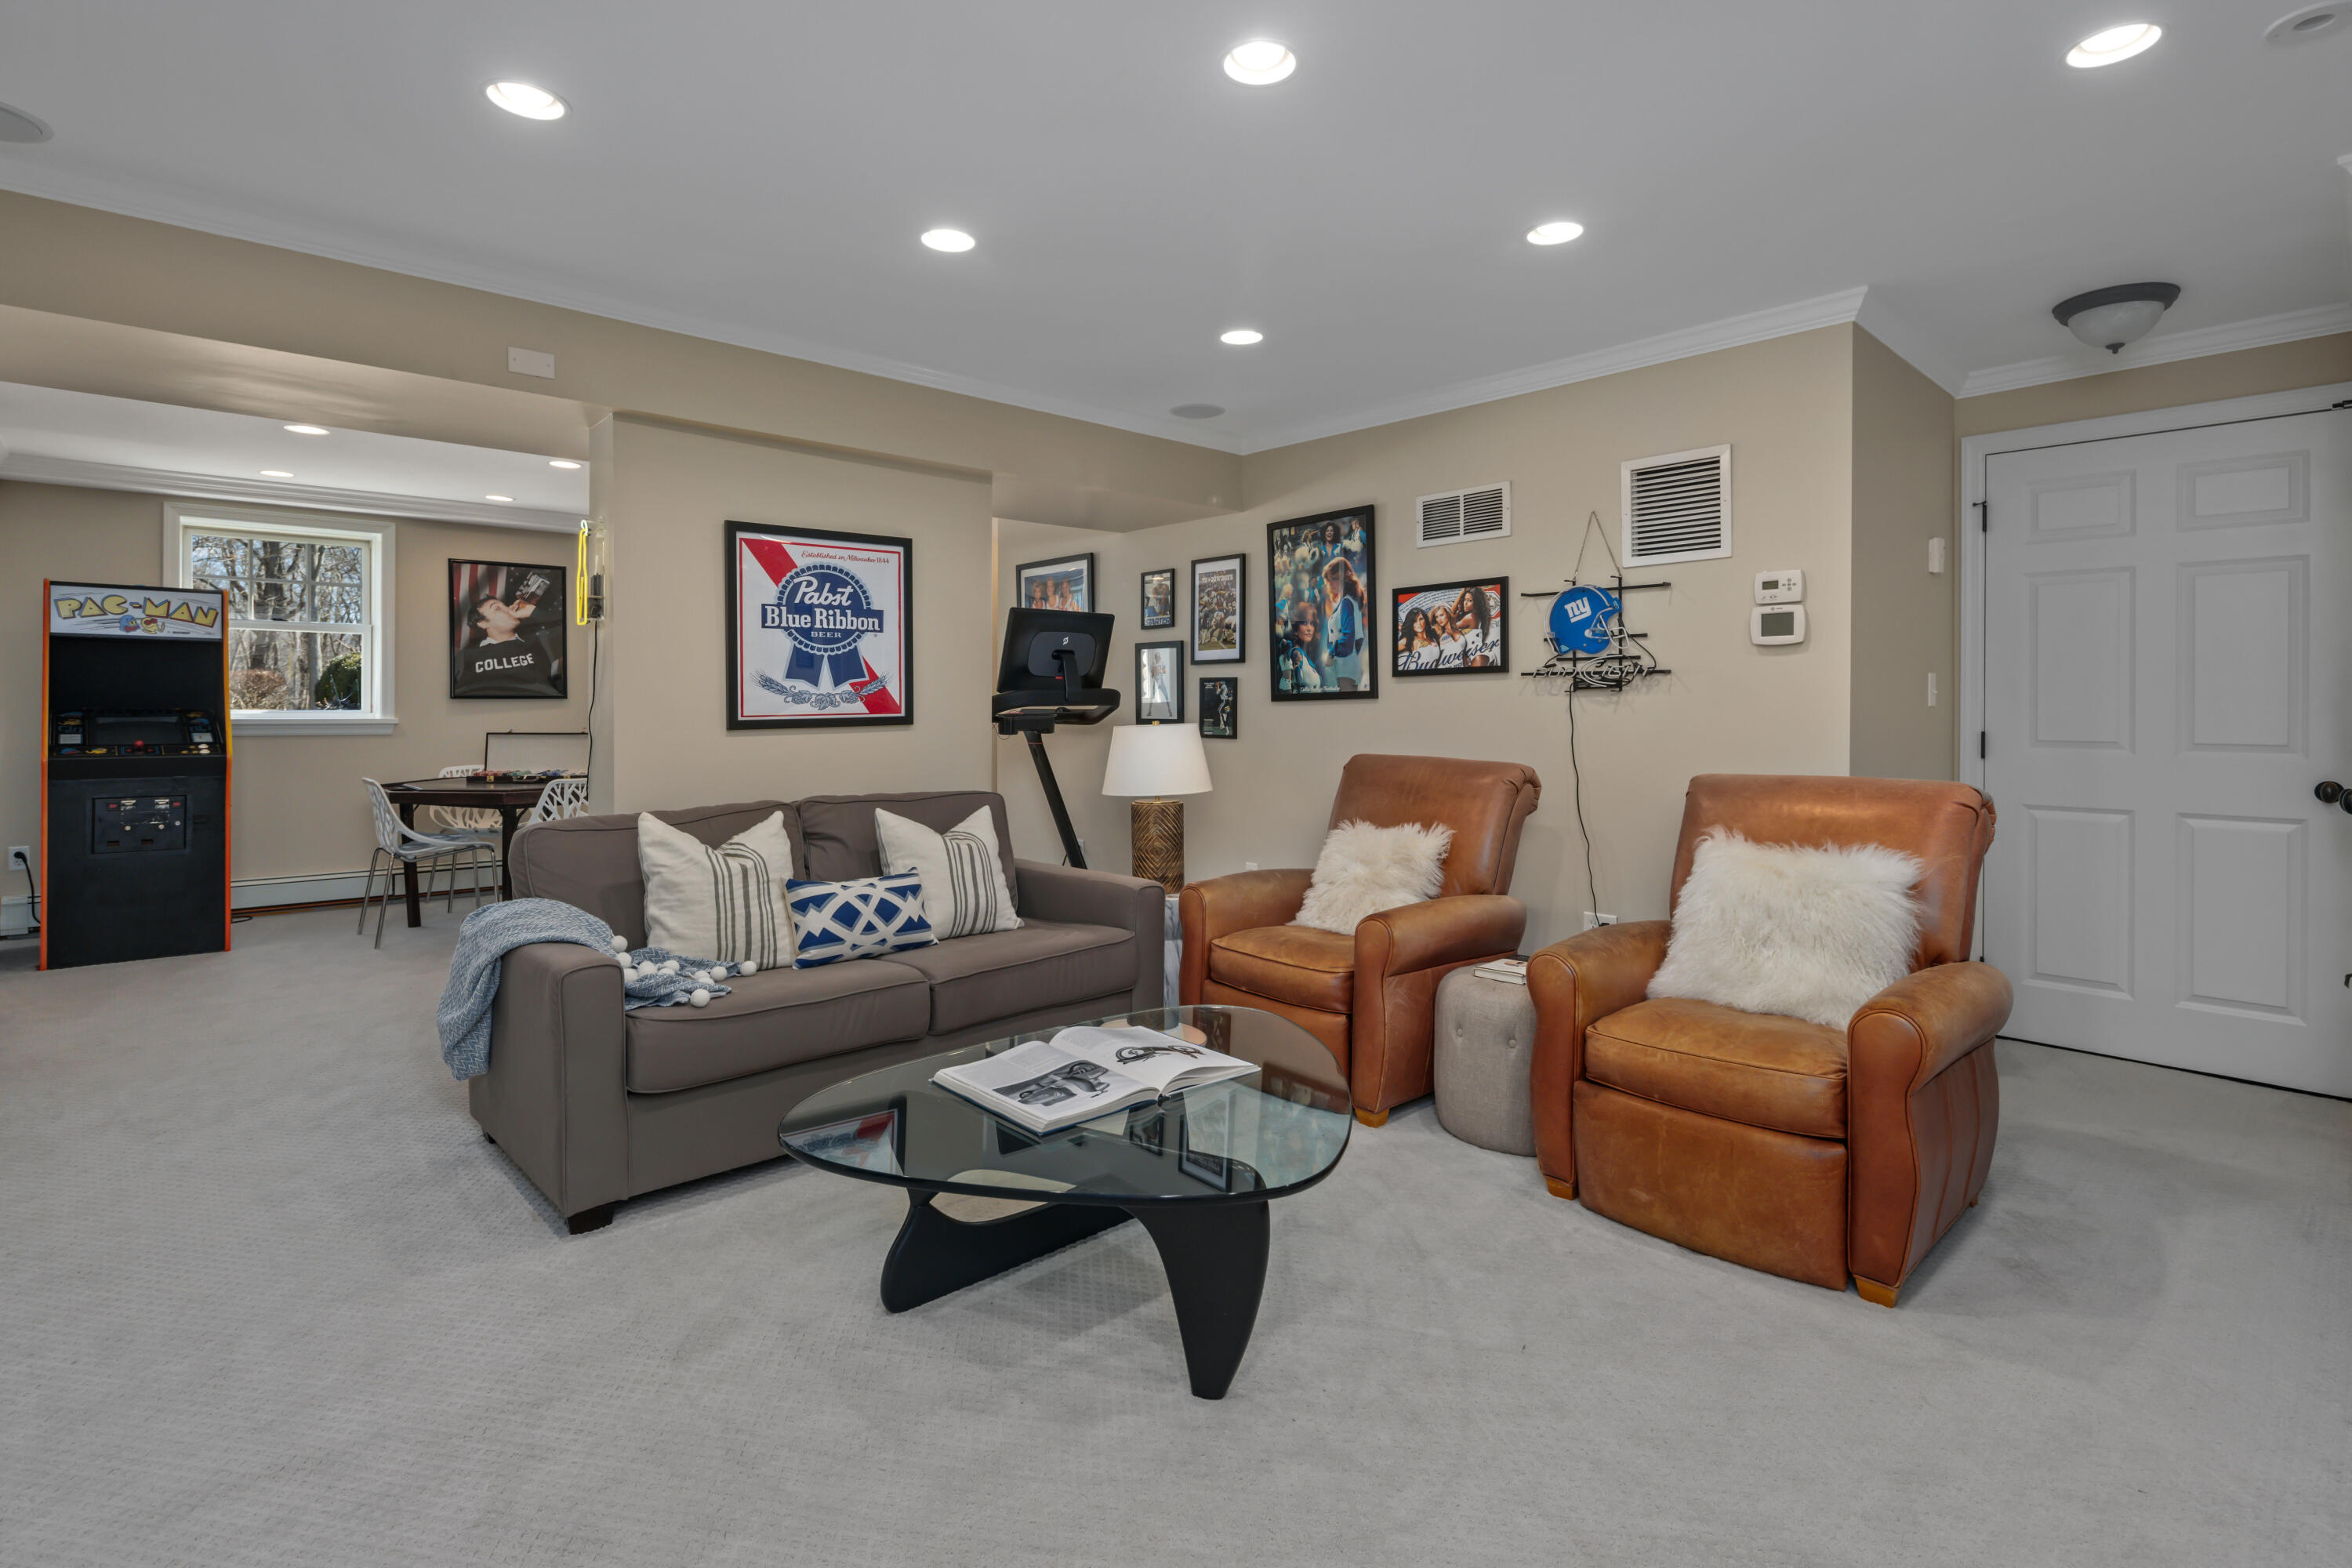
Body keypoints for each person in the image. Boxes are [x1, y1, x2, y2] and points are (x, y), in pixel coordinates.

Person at [1321, 557, 1366, 691]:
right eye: (1330, 580)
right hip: (1349, 664)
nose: (1332, 584)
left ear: (1344, 577)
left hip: (1344, 665)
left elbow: (1350, 637)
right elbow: (1359, 638)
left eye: (1334, 578)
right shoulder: (1350, 601)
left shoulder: (1347, 603)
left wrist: (1332, 653)